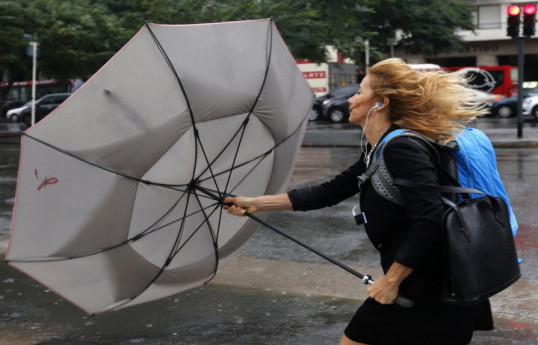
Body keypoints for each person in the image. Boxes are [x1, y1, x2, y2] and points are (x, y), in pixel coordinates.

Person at [224, 58, 494, 345]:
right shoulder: (379, 148)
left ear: (380, 103)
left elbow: (430, 221)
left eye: (359, 91)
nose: (351, 98)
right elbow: (329, 192)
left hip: (430, 285)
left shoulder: (402, 148)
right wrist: (255, 203)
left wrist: (391, 281)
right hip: (427, 280)